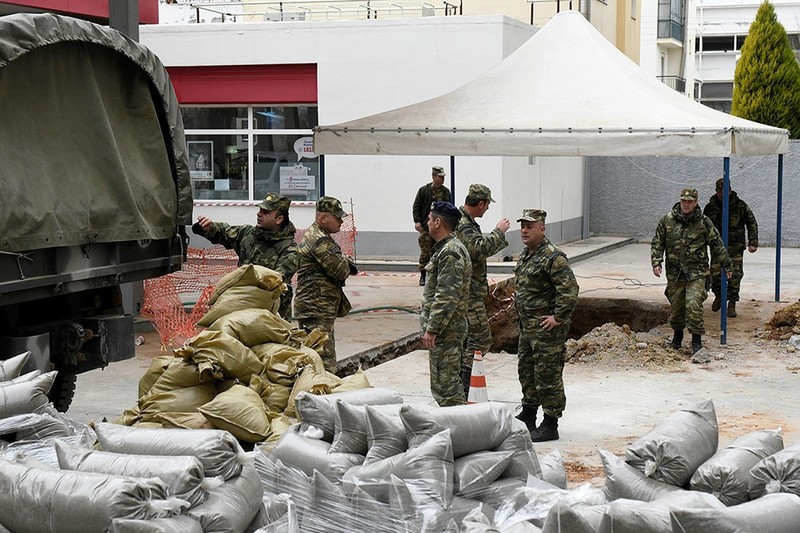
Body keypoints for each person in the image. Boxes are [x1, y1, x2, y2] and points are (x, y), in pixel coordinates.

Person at [513, 209, 579, 442]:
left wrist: (558, 317)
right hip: (527, 329)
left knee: (547, 376)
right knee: (527, 373)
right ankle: (529, 414)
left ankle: (551, 423)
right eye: (522, 226)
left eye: (529, 226)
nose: (524, 230)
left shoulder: (553, 257)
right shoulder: (526, 255)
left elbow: (569, 290)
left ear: (542, 229)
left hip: (546, 332)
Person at [192, 193, 299, 319]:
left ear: (279, 219)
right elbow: (223, 232)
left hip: (272, 312)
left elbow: (275, 280)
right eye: (260, 210)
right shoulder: (248, 234)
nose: (259, 214)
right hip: (241, 305)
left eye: (265, 212)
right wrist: (209, 227)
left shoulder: (289, 250)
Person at [651, 188, 732, 354]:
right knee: (677, 306)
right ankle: (677, 339)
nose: (686, 205)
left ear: (695, 203)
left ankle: (696, 341)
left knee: (693, 304)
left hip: (697, 272)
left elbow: (716, 244)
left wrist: (727, 264)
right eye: (683, 201)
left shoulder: (703, 222)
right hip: (675, 273)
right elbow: (658, 242)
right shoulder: (667, 221)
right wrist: (656, 261)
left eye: (689, 201)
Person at [455, 184, 510, 396]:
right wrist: (499, 231)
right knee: (481, 339)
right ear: (481, 203)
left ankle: (462, 380)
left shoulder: (467, 223)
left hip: (471, 290)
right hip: (467, 293)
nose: (487, 209)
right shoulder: (463, 225)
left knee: (468, 338)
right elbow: (478, 249)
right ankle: (464, 380)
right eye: (487, 205)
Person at [295, 196, 358, 374]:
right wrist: (344, 262)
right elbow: (340, 270)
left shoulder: (319, 236)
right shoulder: (319, 240)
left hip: (316, 307)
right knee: (323, 362)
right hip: (316, 307)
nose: (341, 221)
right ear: (323, 218)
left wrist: (343, 261)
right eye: (337, 217)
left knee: (317, 356)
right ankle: (321, 396)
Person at [420, 201, 472, 407]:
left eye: (430, 219)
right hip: (446, 330)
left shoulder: (450, 252)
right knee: (444, 386)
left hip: (446, 332)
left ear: (438, 222)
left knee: (447, 390)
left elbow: (446, 295)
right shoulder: (445, 249)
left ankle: (460, 433)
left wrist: (432, 329)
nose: (427, 223)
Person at [703, 178, 758, 318]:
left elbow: (751, 222)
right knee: (714, 274)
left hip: (735, 247)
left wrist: (753, 242)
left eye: (725, 191)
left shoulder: (740, 206)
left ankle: (732, 302)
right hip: (717, 247)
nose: (723, 194)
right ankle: (719, 295)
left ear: (730, 190)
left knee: (735, 275)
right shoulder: (710, 207)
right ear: (716, 192)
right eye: (720, 191)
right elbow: (703, 227)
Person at [412, 166, 452, 286]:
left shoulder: (446, 192)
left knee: (440, 251)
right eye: (440, 177)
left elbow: (449, 207)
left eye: (443, 177)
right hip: (426, 226)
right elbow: (416, 206)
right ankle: (423, 275)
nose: (442, 179)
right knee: (425, 251)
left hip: (441, 228)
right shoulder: (424, 190)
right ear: (433, 176)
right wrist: (417, 221)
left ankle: (438, 275)